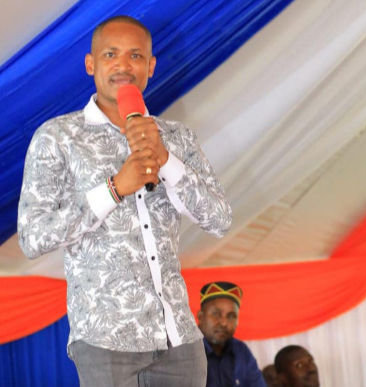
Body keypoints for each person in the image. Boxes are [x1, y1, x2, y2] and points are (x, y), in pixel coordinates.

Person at [17, 15, 232, 387]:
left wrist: (167, 161)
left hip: (178, 338)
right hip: (106, 342)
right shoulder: (58, 137)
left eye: (135, 56)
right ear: (91, 64)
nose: (123, 65)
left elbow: (219, 219)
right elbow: (33, 237)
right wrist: (115, 188)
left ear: (150, 66)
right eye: (110, 54)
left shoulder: (175, 137)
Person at [197, 281, 266, 387]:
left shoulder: (241, 350)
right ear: (201, 317)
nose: (224, 323)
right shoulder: (184, 351)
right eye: (216, 314)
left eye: (231, 316)